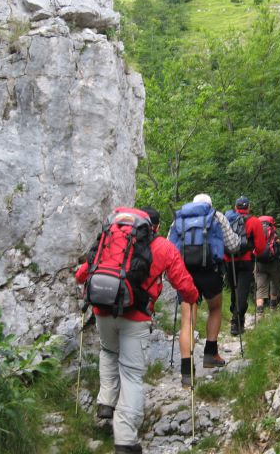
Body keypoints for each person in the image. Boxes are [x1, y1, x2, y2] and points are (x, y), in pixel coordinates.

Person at [75, 206, 198, 454]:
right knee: (131, 374)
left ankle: (106, 402)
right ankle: (125, 440)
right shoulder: (163, 247)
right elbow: (184, 284)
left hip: (102, 311)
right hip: (136, 316)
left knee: (109, 353)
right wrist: (192, 297)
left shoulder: (113, 241)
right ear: (156, 227)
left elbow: (81, 275)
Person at [168, 193, 240, 387]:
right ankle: (210, 354)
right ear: (209, 204)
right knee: (215, 308)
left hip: (185, 274)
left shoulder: (179, 219)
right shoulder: (216, 216)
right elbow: (233, 245)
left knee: (187, 320)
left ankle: (186, 372)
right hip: (210, 271)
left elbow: (169, 247)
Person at [224, 196, 265, 336]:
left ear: (236, 207)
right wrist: (254, 252)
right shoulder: (254, 221)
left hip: (229, 260)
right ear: (248, 207)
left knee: (234, 289)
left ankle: (237, 318)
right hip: (246, 260)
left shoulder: (227, 220)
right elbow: (260, 246)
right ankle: (237, 322)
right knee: (242, 291)